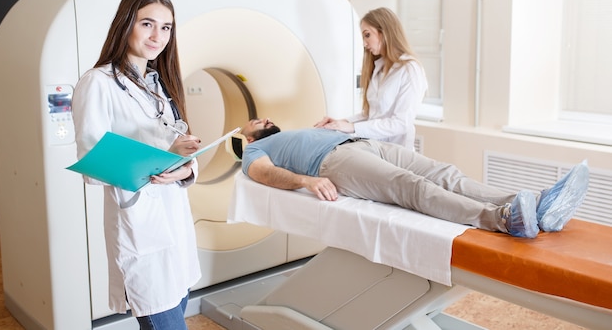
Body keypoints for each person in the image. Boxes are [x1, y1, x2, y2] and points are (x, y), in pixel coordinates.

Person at [72, 0, 202, 330]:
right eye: (147, 24)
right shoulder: (98, 83)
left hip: (174, 221)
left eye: (166, 27)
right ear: (126, 23)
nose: (157, 35)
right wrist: (164, 158)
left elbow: (178, 144)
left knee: (177, 303)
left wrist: (186, 167)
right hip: (139, 227)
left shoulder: (159, 84)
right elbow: (94, 161)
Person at [238, 118, 589, 239]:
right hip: (333, 163)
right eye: (255, 121)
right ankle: (501, 221)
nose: (263, 119)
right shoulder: (254, 152)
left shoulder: (290, 131)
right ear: (248, 138)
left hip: (364, 145)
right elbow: (264, 174)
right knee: (413, 187)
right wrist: (306, 181)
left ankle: (534, 205)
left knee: (444, 173)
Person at [315, 7, 428, 150]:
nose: (364, 43)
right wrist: (341, 122)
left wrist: (352, 127)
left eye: (367, 35)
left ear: (384, 32)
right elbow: (372, 114)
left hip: (397, 153)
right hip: (375, 148)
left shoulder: (410, 69)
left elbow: (401, 123)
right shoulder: (379, 69)